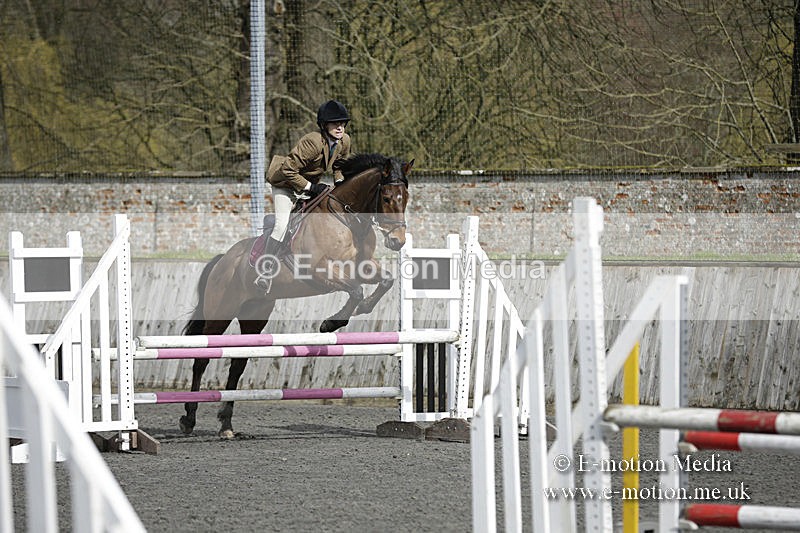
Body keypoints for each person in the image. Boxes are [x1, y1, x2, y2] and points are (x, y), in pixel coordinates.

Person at [256, 99, 352, 290]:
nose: (340, 127)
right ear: (324, 125)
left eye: (342, 123)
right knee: (282, 226)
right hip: (285, 184)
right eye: (335, 124)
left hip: (308, 185)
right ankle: (264, 272)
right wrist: (310, 187)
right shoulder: (312, 142)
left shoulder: (344, 141)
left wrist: (340, 183)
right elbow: (288, 170)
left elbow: (340, 165)